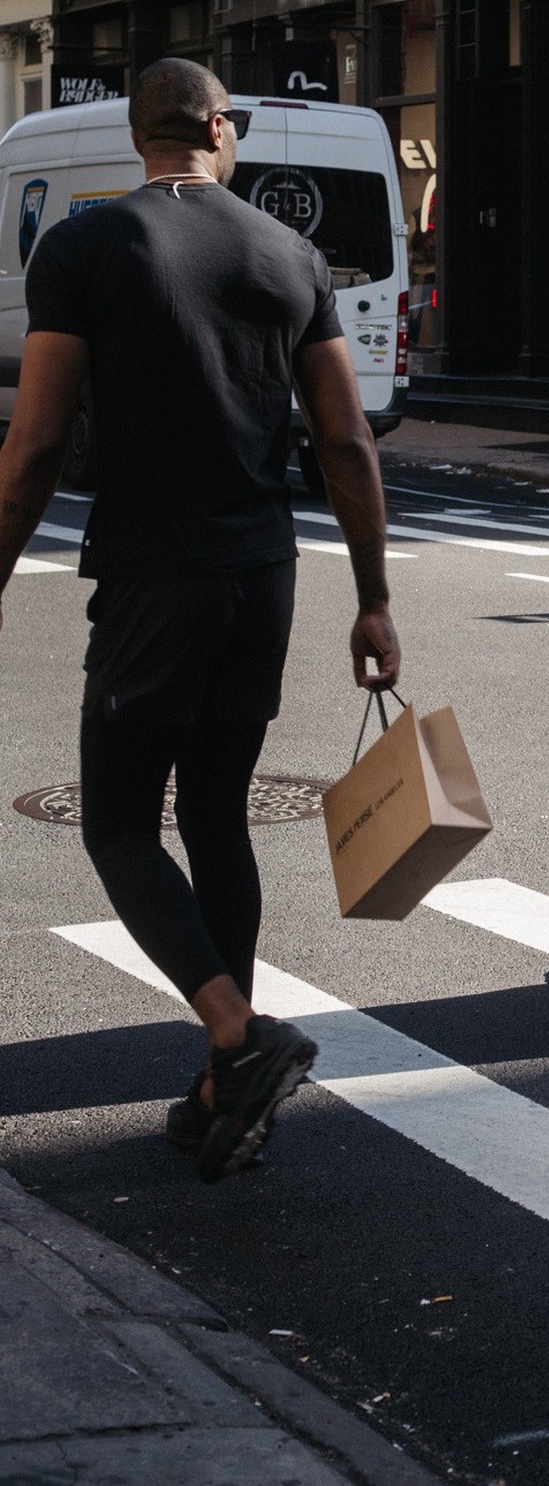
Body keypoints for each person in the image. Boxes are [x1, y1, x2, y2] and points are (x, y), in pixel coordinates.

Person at [0, 59, 401, 1181]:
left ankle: (238, 1034)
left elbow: (32, 447)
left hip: (150, 575)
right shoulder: (289, 254)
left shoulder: (81, 249)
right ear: (220, 131)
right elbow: (345, 442)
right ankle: (228, 1086)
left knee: (121, 823)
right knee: (217, 815)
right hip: (259, 571)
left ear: (140, 139)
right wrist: (372, 597)